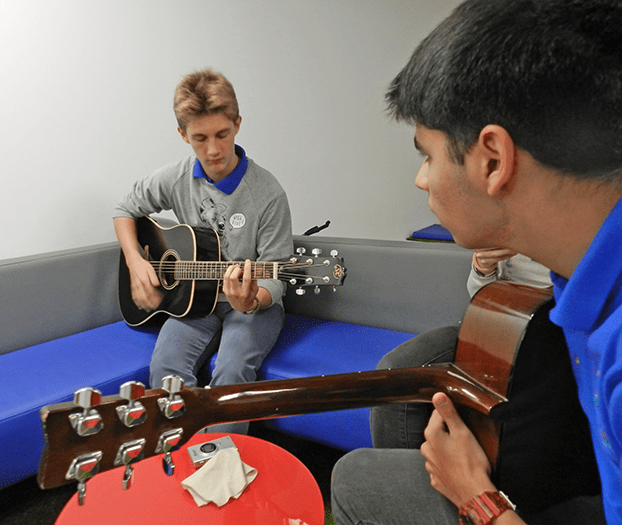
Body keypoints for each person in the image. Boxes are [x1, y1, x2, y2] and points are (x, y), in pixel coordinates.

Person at [332, 1, 622, 524]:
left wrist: (476, 496)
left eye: (427, 155)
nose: (421, 179)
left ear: (492, 160)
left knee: (355, 479)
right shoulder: (576, 276)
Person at [114, 68, 293, 435]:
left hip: (252, 307)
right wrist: (136, 263)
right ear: (183, 135)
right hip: (193, 301)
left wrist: (252, 300)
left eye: (222, 134)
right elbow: (124, 209)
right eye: (200, 138)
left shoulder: (268, 193)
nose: (213, 150)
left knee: (231, 373)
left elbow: (276, 274)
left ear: (237, 124)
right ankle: (183, 456)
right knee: (165, 369)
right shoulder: (176, 178)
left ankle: (221, 461)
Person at [371, 249, 552, 450]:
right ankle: (401, 467)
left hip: (543, 324)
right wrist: (483, 268)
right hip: (489, 320)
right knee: (395, 371)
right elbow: (480, 295)